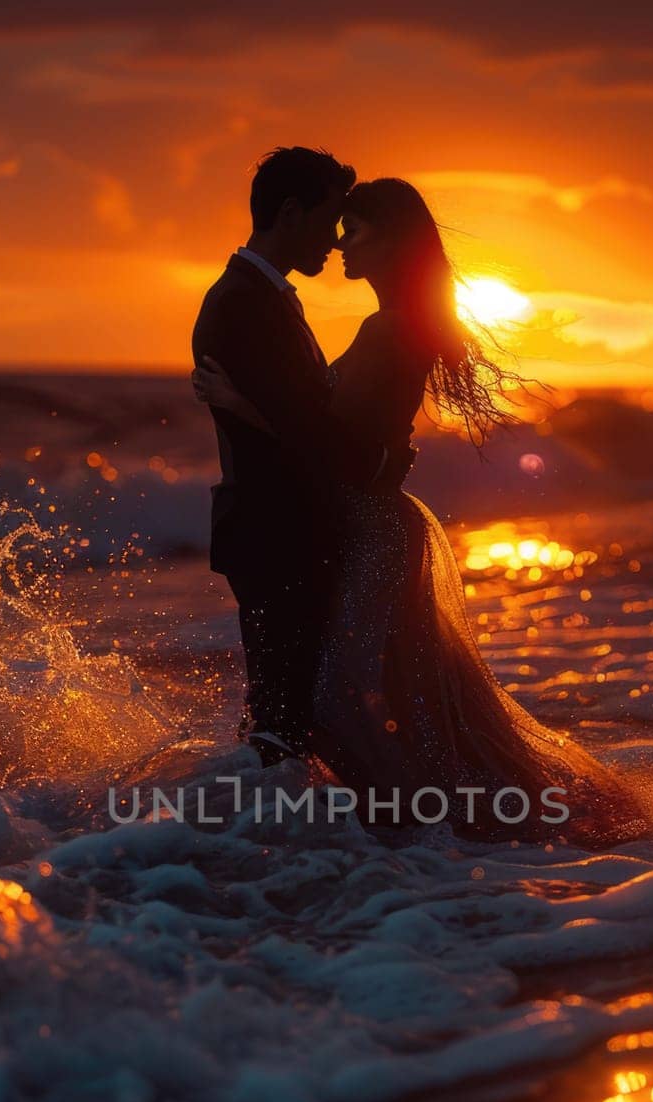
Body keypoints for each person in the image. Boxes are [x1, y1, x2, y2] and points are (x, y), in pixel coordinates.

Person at [194, 177, 646, 845]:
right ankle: (428, 826)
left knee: (346, 696)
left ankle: (428, 831)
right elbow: (354, 440)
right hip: (364, 524)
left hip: (372, 529)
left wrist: (242, 408)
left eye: (358, 231)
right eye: (340, 228)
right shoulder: (393, 324)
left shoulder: (389, 329)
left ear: (394, 241)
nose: (343, 244)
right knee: (402, 695)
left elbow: (339, 450)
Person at [191, 147, 407, 767]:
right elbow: (305, 429)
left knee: (289, 715)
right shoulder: (241, 303)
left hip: (286, 530)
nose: (336, 239)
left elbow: (300, 418)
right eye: (330, 218)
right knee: (282, 722)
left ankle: (268, 845)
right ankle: (253, 846)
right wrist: (384, 462)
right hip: (272, 530)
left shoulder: (266, 297)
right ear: (291, 213)